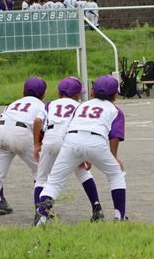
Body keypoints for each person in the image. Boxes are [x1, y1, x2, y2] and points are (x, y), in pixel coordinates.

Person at [35, 75, 126, 225]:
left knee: (53, 182)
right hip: (96, 142)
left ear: (92, 92)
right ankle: (119, 217)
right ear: (115, 95)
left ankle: (41, 220)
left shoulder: (82, 106)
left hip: (71, 140)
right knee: (116, 174)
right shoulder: (115, 110)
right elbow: (115, 136)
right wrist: (114, 156)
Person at [0, 77, 46, 225]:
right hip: (22, 133)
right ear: (43, 95)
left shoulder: (14, 103)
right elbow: (41, 129)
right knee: (40, 172)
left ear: (23, 91)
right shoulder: (42, 105)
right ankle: (41, 212)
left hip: (1, 132)